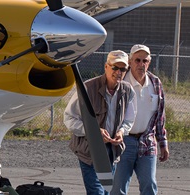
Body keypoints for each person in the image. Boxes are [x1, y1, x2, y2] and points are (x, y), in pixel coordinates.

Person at [64, 50, 137, 195]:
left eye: (122, 69)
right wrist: (94, 132)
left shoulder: (128, 91)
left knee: (106, 191)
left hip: (112, 152)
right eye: (115, 67)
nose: (118, 72)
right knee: (97, 192)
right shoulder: (88, 88)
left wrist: (121, 132)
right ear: (106, 67)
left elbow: (129, 119)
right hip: (90, 151)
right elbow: (69, 118)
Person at [111, 44, 170, 195]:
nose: (141, 64)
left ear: (149, 63)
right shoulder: (121, 83)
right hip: (123, 141)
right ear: (130, 62)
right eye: (137, 60)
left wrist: (163, 143)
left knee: (149, 185)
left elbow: (160, 117)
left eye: (145, 61)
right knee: (118, 188)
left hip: (147, 140)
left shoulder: (155, 83)